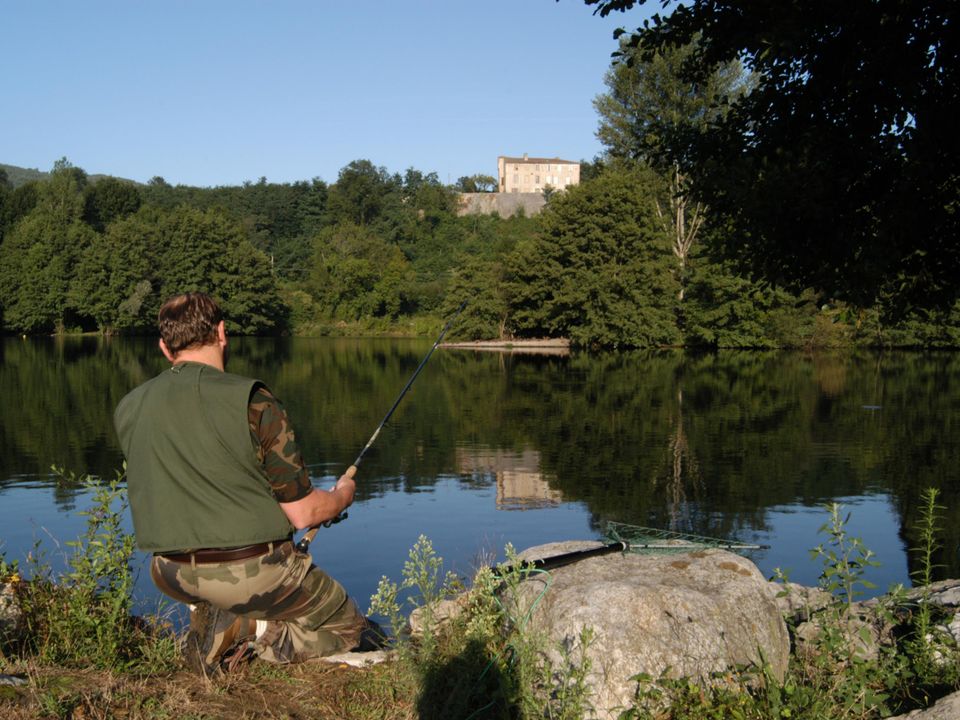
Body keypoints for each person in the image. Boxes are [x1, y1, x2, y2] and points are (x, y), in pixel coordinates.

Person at [114, 292, 372, 673]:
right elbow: (303, 513)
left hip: (169, 572)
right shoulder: (254, 401)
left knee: (225, 587)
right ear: (222, 332)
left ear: (165, 348)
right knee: (349, 626)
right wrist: (342, 497)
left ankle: (217, 625)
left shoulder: (130, 405)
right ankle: (251, 629)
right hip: (247, 572)